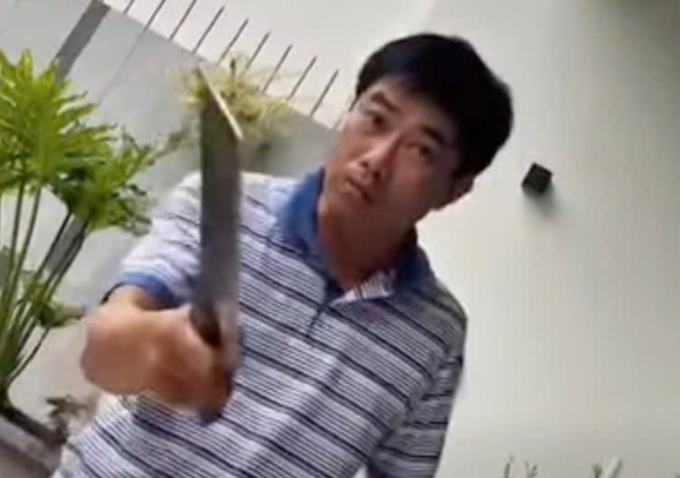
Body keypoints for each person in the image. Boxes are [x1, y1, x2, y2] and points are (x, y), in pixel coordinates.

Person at [54, 33, 512, 478]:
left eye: (421, 150)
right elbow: (101, 350)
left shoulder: (435, 337)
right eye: (375, 119)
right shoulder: (225, 205)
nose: (377, 159)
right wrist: (158, 344)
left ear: (455, 189)